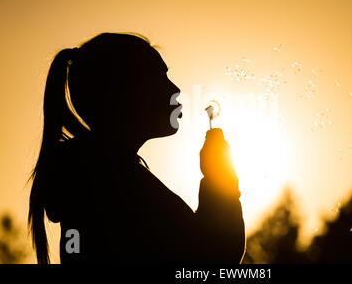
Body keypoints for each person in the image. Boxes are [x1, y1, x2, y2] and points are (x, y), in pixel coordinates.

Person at [28, 32, 245, 263]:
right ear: (126, 92)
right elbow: (213, 257)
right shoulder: (115, 183)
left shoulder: (94, 174)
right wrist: (220, 180)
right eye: (160, 78)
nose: (176, 90)